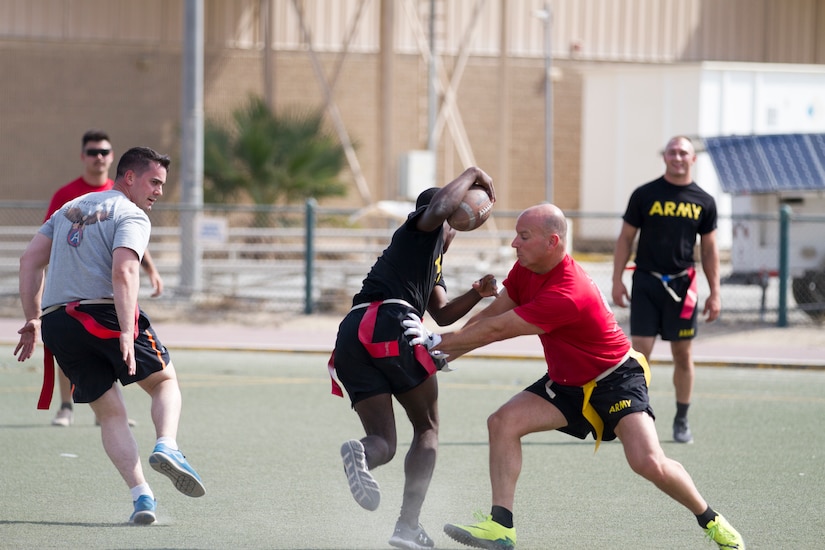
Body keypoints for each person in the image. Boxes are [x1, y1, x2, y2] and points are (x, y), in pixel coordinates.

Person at [402, 203, 744, 549]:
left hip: (615, 378)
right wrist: (442, 352)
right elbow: (487, 319)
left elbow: (498, 330)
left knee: (648, 462)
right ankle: (501, 527)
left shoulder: (568, 292)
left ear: (553, 242)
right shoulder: (525, 269)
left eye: (523, 236)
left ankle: (712, 521)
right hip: (567, 382)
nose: (513, 245)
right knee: (502, 422)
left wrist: (438, 343)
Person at [14, 146, 205, 525]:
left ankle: (142, 498)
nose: (159, 192)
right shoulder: (130, 213)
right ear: (129, 177)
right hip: (104, 312)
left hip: (59, 323)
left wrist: (33, 319)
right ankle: (168, 444)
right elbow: (123, 272)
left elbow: (29, 260)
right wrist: (127, 328)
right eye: (154, 182)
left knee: (110, 413)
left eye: (162, 184)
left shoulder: (69, 208)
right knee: (164, 381)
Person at [330, 166, 498, 550]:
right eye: (452, 221)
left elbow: (442, 314)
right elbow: (439, 207)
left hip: (352, 335)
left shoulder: (430, 260)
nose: (453, 228)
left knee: (383, 442)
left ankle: (362, 455)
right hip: (391, 324)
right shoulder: (419, 230)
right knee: (427, 428)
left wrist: (478, 292)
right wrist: (471, 173)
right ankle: (407, 526)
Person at [46, 129, 164, 427]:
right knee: (75, 339)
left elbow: (127, 246)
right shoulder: (68, 197)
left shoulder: (127, 197)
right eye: (92, 152)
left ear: (112, 158)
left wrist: (150, 269)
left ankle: (110, 411)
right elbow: (51, 240)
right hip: (74, 288)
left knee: (96, 346)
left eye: (104, 152)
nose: (98, 157)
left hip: (102, 292)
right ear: (83, 157)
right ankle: (65, 406)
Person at [611, 135, 721, 444]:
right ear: (665, 157)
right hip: (646, 281)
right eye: (672, 152)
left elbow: (710, 250)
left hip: (682, 286)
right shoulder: (645, 194)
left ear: (692, 159)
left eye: (683, 152)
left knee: (682, 354)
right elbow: (625, 239)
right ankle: (637, 414)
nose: (677, 157)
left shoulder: (704, 201)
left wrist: (715, 292)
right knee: (640, 350)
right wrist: (617, 278)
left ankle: (681, 419)